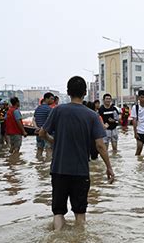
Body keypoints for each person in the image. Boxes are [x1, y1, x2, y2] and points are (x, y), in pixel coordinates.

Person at [39, 76, 114, 231]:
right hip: (80, 172)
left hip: (59, 170)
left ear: (68, 92)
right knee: (80, 214)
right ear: (85, 93)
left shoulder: (58, 110)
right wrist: (109, 167)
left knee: (58, 212)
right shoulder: (92, 115)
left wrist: (54, 142)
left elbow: (42, 133)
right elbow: (100, 145)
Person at [33, 92, 54, 157]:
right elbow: (50, 122)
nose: (53, 100)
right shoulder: (49, 109)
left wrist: (37, 128)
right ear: (46, 99)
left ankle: (39, 165)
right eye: (51, 99)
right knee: (49, 150)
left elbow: (34, 119)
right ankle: (47, 166)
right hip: (47, 133)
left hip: (38, 133)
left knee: (39, 149)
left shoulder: (37, 109)